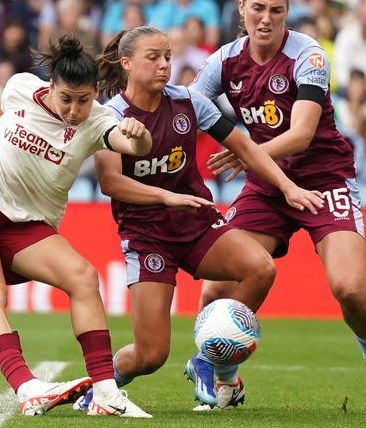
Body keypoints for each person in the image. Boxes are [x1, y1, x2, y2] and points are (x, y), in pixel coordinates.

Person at [73, 26, 324, 412]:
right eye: (153, 57)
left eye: (168, 56)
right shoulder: (110, 116)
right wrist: (166, 197)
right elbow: (110, 182)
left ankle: (209, 358)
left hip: (197, 225)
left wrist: (287, 186)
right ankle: (98, 387)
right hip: (147, 236)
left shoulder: (190, 102)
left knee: (261, 269)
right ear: (126, 64)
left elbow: (246, 148)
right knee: (151, 354)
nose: (164, 65)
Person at [190, 0, 366, 413]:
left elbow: (303, 133)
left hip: (324, 179)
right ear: (241, 8)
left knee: (348, 287)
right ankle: (226, 379)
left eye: (276, 10)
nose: (265, 18)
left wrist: (246, 150)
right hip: (268, 183)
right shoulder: (223, 61)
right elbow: (184, 107)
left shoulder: (309, 54)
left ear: (286, 12)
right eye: (257, 8)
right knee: (216, 286)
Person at [0, 35, 153, 418]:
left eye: (83, 100)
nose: (73, 109)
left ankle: (105, 394)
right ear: (50, 86)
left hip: (24, 219)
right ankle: (28, 387)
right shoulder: (19, 86)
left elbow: (134, 147)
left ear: (95, 93)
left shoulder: (100, 120)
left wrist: (140, 134)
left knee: (83, 276)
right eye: (66, 98)